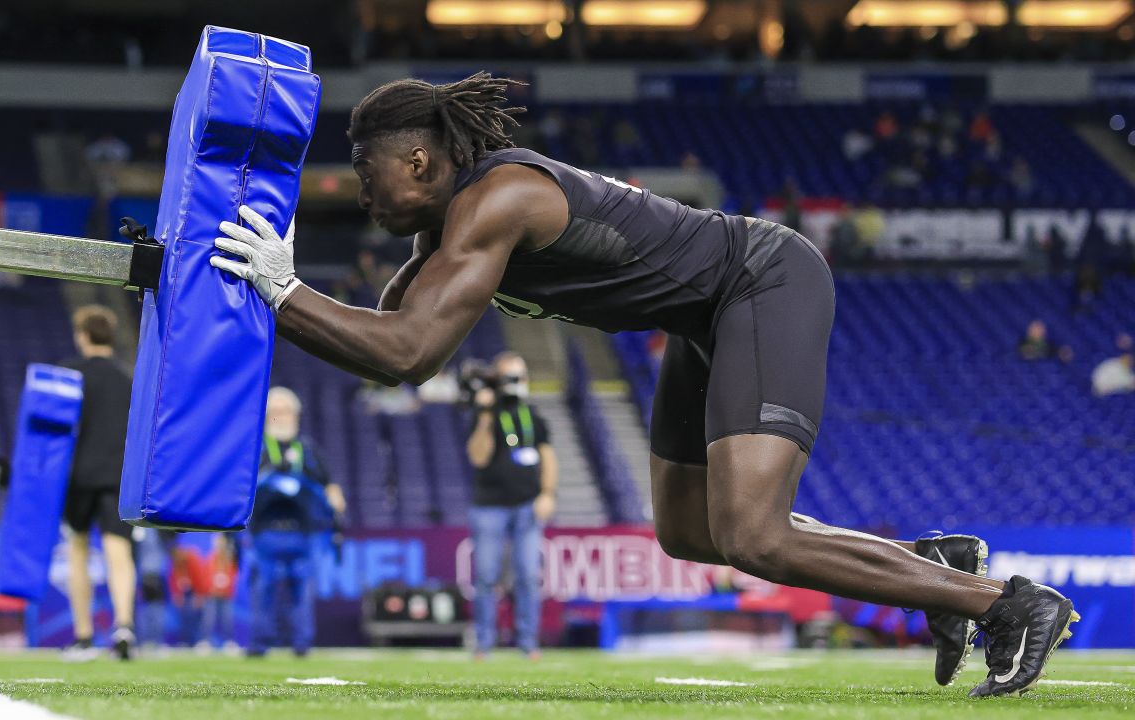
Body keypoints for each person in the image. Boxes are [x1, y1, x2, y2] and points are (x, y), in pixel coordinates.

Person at [209, 72, 1077, 697]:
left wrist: (281, 289)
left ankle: (1006, 603)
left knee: (753, 535)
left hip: (760, 281)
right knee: (690, 530)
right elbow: (395, 349)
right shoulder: (438, 243)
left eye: (368, 173)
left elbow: (403, 351)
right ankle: (931, 567)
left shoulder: (497, 200)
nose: (360, 194)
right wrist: (277, 297)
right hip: (706, 318)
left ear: (422, 163)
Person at [465, 352, 556, 659]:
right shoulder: (483, 414)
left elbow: (547, 457)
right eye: (509, 378)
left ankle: (528, 643)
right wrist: (487, 414)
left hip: (527, 505)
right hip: (489, 505)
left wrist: (547, 493)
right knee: (487, 576)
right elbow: (478, 456)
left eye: (520, 377)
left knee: (529, 576)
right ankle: (484, 644)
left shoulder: (534, 416)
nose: (516, 384)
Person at [61, 305, 137, 661]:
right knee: (118, 553)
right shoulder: (129, 378)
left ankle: (84, 635)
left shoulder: (67, 375)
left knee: (78, 551)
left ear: (83, 336)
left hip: (77, 476)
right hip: (117, 476)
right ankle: (124, 626)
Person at [245, 387, 343, 657]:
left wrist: (334, 504)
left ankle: (302, 644)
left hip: (303, 532)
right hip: (265, 533)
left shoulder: (308, 450)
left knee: (301, 591)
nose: (282, 417)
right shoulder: (256, 449)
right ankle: (259, 644)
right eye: (275, 412)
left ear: (297, 415)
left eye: (286, 411)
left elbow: (332, 487)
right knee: (262, 589)